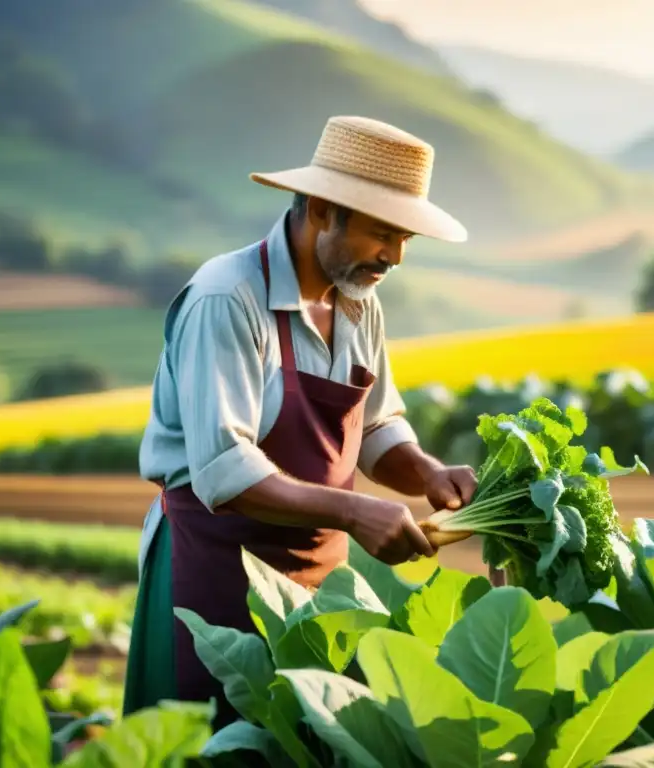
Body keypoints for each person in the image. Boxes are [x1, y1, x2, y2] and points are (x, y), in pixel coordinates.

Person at [122, 115, 480, 727]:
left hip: (317, 585)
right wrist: (354, 510)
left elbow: (373, 427)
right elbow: (223, 474)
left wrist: (424, 470)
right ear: (320, 209)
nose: (393, 257)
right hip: (211, 574)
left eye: (404, 240)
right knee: (208, 745)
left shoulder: (358, 301)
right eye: (381, 233)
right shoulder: (226, 299)